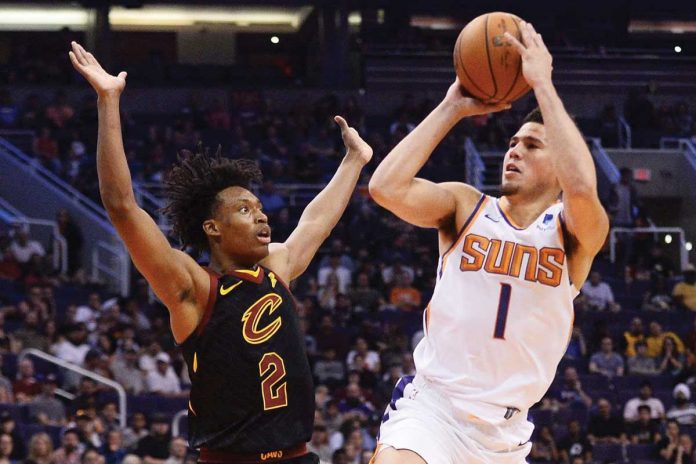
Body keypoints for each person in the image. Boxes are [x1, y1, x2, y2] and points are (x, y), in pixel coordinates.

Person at [69, 41, 372, 463]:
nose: (262, 217)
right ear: (212, 228)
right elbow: (121, 206)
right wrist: (108, 100)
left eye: (261, 208)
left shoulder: (275, 270)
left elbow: (315, 223)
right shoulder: (193, 288)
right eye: (245, 210)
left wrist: (354, 161)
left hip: (299, 456)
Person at [367, 20, 608, 463]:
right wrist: (451, 107)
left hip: (505, 434)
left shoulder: (573, 233)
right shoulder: (465, 206)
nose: (514, 150)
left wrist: (542, 85)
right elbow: (385, 188)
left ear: (561, 166)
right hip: (433, 410)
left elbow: (583, 190)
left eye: (533, 146)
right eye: (513, 142)